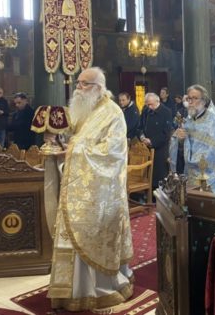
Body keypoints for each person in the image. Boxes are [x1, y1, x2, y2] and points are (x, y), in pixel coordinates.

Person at [47, 67, 133, 311]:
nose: (78, 88)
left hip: (99, 192)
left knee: (92, 237)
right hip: (75, 186)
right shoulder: (84, 110)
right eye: (78, 83)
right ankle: (71, 291)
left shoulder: (113, 113)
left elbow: (113, 153)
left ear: (98, 88)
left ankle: (95, 290)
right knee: (71, 236)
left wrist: (73, 152)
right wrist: (58, 140)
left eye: (84, 84)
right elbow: (75, 138)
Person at [170, 85, 215, 195]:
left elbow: (214, 153)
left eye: (195, 98)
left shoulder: (213, 121)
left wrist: (192, 161)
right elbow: (184, 144)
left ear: (204, 101)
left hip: (210, 174)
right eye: (189, 98)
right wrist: (180, 139)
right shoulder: (189, 120)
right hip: (190, 172)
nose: (190, 102)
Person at [138, 92, 172, 188]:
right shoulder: (145, 110)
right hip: (146, 148)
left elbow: (166, 133)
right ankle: (147, 193)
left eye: (151, 104)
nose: (149, 107)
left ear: (157, 101)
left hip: (160, 149)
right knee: (147, 175)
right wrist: (142, 137)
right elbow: (140, 126)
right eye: (147, 104)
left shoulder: (166, 112)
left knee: (159, 177)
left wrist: (151, 141)